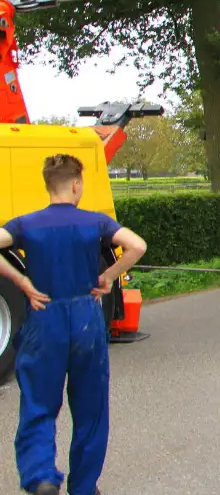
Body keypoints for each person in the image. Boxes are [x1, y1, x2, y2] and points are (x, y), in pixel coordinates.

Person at [0, 154, 147, 495]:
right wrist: (108, 276)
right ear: (76, 184)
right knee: (90, 409)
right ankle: (82, 487)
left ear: (48, 186)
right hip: (85, 319)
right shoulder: (95, 222)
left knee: (38, 405)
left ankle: (42, 478)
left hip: (44, 316)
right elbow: (137, 245)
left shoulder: (25, 223)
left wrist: (22, 282)